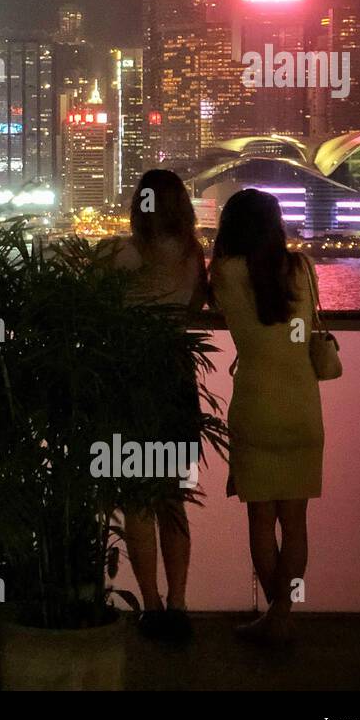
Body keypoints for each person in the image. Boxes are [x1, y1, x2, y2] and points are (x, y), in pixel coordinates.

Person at [209, 188, 324, 646]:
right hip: (302, 406)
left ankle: (275, 617)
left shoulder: (223, 272)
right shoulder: (301, 266)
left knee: (260, 520)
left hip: (255, 404)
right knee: (295, 521)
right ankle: (282, 614)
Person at [101, 169, 207, 644]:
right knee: (173, 499)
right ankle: (180, 601)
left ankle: (152, 605)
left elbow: (94, 306)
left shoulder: (120, 254)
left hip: (129, 383)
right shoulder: (191, 256)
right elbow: (194, 311)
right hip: (174, 380)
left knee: (138, 500)